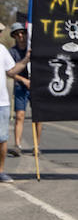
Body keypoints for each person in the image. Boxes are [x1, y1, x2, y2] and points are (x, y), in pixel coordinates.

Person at [8, 22, 39, 157]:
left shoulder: (34, 49)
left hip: (36, 86)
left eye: (22, 32)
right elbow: (10, 72)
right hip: (21, 86)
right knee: (20, 116)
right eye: (17, 34)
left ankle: (36, 146)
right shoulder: (12, 52)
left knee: (38, 116)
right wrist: (24, 80)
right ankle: (17, 145)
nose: (20, 36)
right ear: (14, 36)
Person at [1, 25, 26, 181]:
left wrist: (27, 59)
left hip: (2, 102)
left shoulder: (2, 50)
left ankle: (0, 171)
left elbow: (11, 71)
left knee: (2, 138)